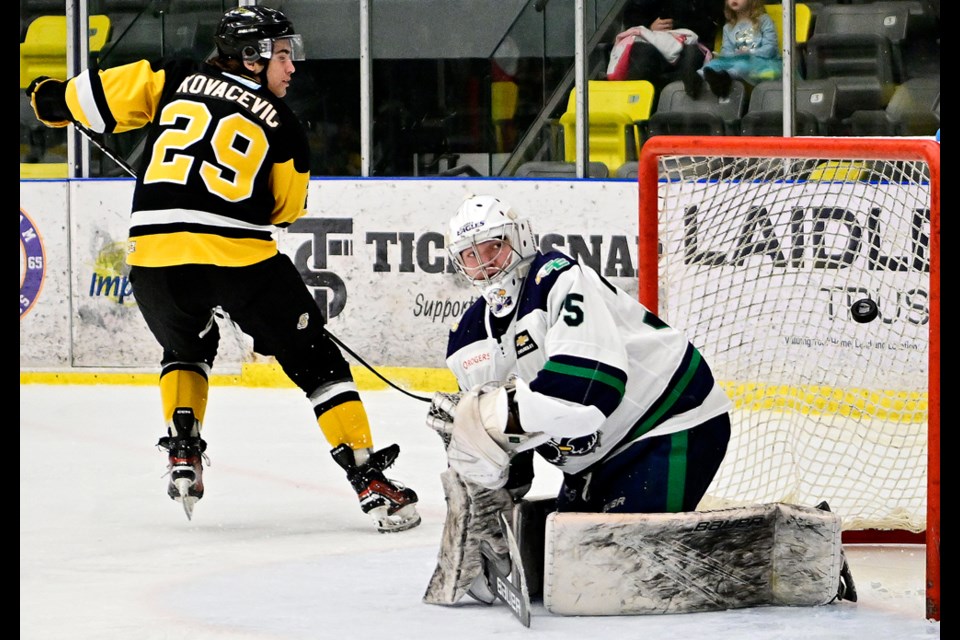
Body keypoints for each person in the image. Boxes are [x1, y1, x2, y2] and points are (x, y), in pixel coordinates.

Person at [24, 6, 420, 533]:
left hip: (154, 260)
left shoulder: (173, 77)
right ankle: (370, 480)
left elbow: (79, 100)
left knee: (186, 347)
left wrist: (50, 97)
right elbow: (285, 210)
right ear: (253, 59)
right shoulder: (285, 125)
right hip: (240, 261)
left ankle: (184, 448)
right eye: (283, 55)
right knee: (317, 362)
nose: (292, 67)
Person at [432, 194, 732, 515]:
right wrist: (490, 496)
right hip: (591, 459)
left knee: (619, 557)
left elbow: (587, 394)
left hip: (667, 422)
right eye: (471, 255)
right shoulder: (467, 337)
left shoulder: (556, 278)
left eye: (495, 246)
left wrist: (497, 413)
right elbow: (505, 449)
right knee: (565, 556)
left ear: (520, 238)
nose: (486, 262)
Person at [613, 0, 725, 97]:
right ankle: (639, 107)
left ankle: (682, 108)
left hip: (691, 43)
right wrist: (649, 26)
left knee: (691, 56)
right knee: (643, 55)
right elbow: (633, 16)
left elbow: (717, 17)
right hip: (654, 41)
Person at [699, 0, 781, 98]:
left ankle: (724, 78)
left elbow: (771, 48)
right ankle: (698, 77)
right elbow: (726, 51)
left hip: (760, 61)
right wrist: (727, 56)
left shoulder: (763, 20)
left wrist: (750, 52)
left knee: (741, 65)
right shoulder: (728, 27)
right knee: (713, 64)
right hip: (737, 59)